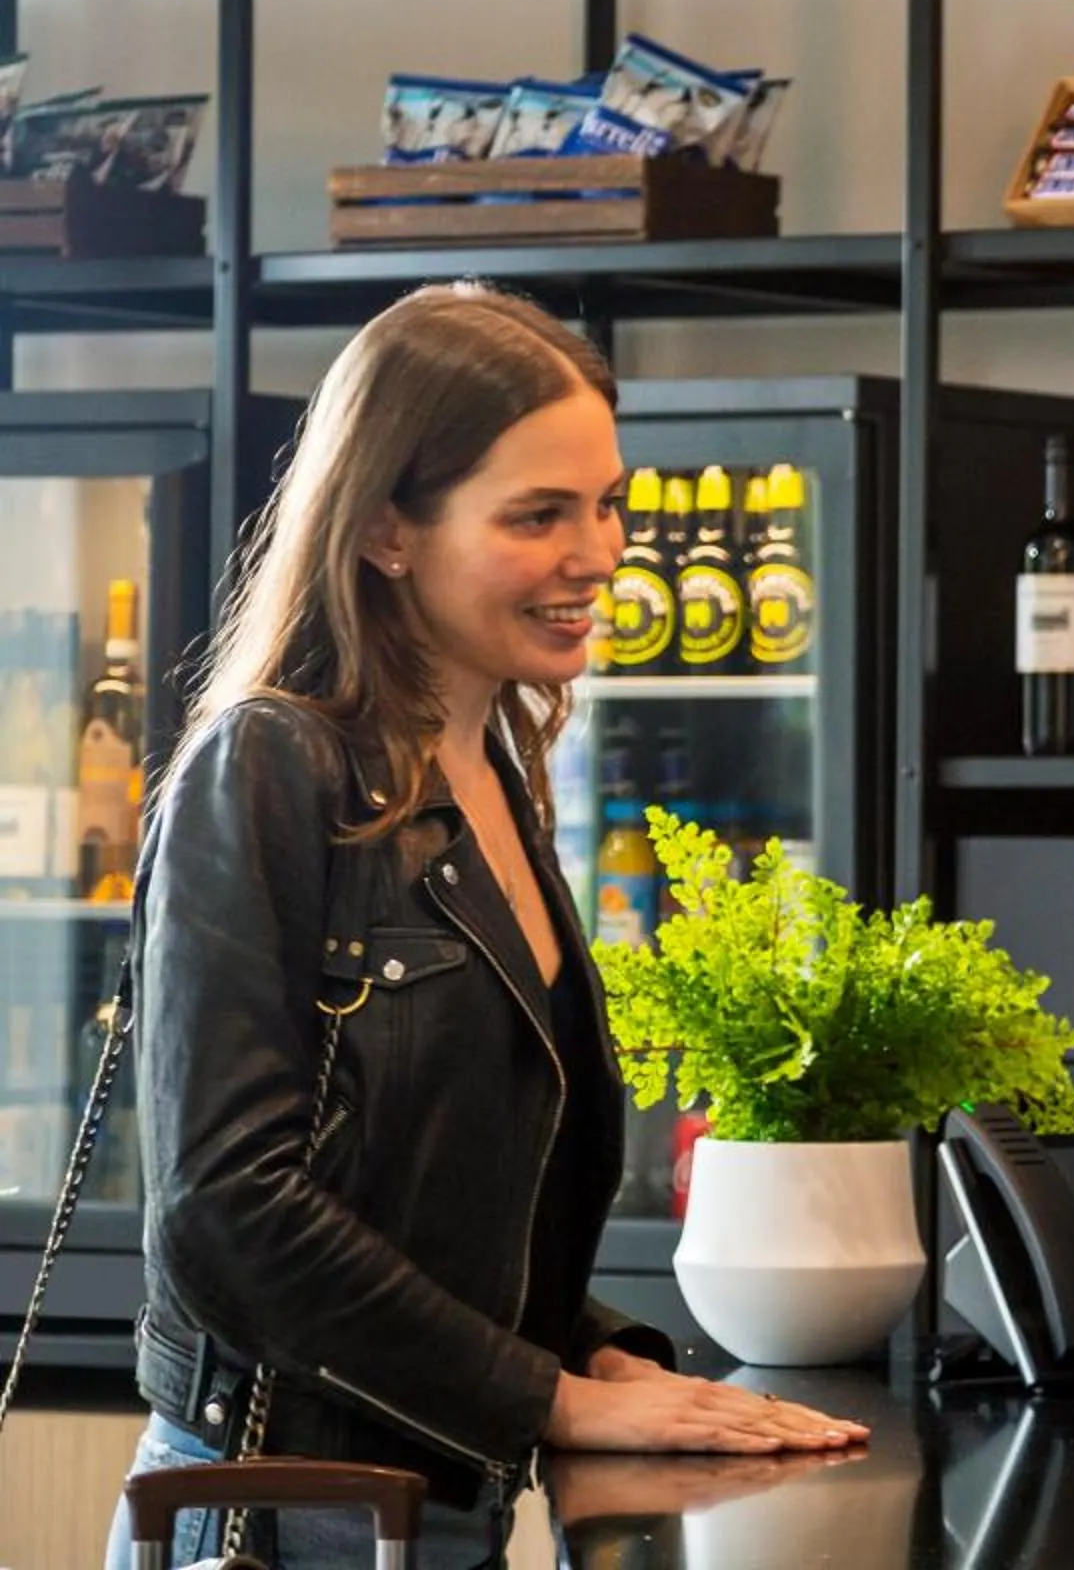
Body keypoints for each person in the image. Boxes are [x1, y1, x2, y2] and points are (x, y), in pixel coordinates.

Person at [107, 284, 866, 1570]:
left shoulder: (492, 768)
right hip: (282, 1514)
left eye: (608, 501)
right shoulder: (269, 765)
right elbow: (224, 1208)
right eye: (538, 515)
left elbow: (438, 1200)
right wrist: (553, 1398)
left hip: (432, 1495)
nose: (600, 550)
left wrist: (593, 1346)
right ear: (389, 530)